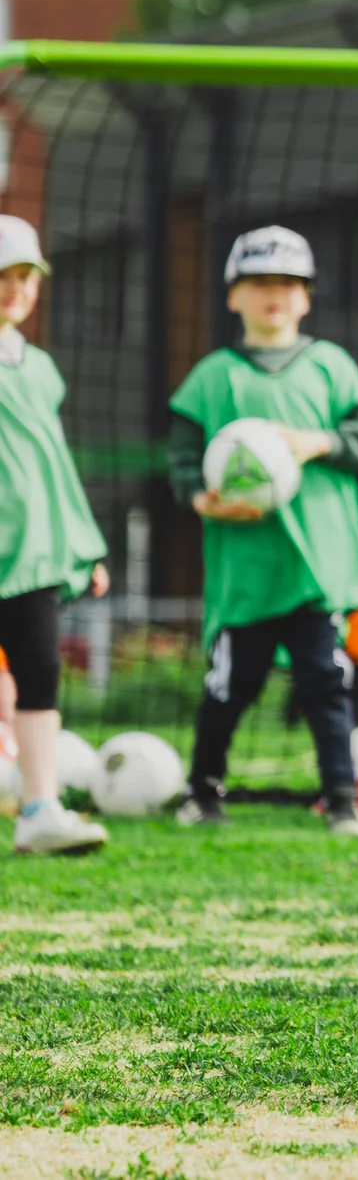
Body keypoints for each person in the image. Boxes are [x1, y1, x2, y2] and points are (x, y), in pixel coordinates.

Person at [170, 227, 358, 836]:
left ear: (307, 297)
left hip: (317, 568)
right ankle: (203, 790)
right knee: (231, 687)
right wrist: (202, 500)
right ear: (233, 296)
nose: (275, 295)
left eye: (288, 284)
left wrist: (319, 442)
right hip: (248, 572)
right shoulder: (213, 376)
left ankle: (342, 798)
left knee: (327, 682)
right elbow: (184, 460)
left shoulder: (331, 368)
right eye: (259, 283)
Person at [0, 215, 114, 855]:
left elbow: (52, 464)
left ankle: (40, 808)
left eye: (25, 276)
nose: (15, 288)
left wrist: (84, 542)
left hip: (35, 557)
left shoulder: (40, 368)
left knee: (41, 674)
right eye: (3, 276)